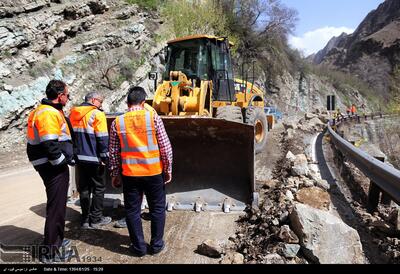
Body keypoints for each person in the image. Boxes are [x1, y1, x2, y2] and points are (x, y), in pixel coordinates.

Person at [108, 86, 173, 257]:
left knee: (132, 210)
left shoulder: (117, 122)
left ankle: (138, 248)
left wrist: (115, 173)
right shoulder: (153, 118)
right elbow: (165, 148)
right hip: (153, 173)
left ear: (127, 102)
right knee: (158, 209)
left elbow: (113, 152)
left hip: (130, 175)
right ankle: (156, 245)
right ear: (144, 102)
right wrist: (167, 169)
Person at [26, 79, 75, 262]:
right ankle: (50, 252)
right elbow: (50, 143)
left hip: (47, 163)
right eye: (67, 95)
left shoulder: (45, 110)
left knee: (57, 205)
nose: (68, 99)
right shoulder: (48, 113)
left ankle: (56, 241)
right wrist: (62, 162)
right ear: (60, 95)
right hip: (51, 165)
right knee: (56, 207)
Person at [69, 92, 112, 229]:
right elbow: (102, 138)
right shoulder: (97, 114)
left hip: (79, 159)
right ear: (93, 100)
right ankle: (96, 219)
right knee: (99, 188)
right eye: (100, 101)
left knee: (84, 189)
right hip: (94, 158)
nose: (101, 104)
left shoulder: (73, 113)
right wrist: (105, 157)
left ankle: (85, 219)